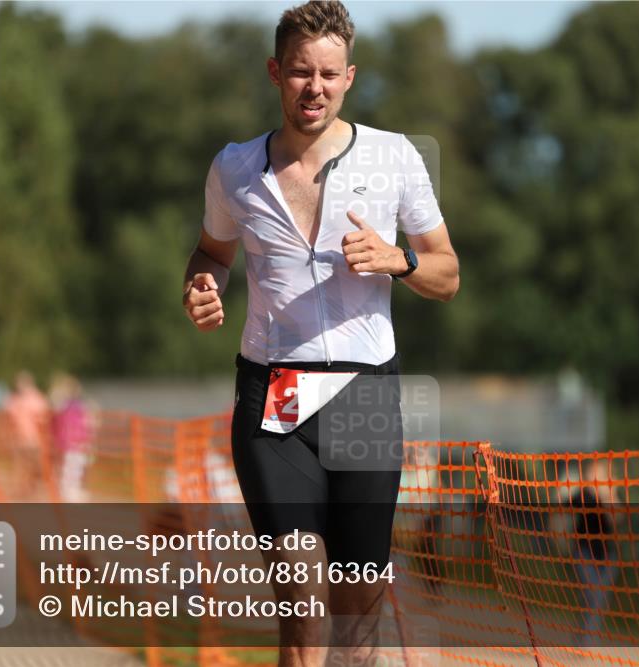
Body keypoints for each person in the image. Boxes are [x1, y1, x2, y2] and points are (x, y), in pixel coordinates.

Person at [182, 2, 459, 664]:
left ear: (350, 77)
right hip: (274, 395)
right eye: (301, 72)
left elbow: (447, 273)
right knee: (302, 608)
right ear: (277, 73)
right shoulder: (235, 168)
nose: (315, 87)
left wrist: (399, 259)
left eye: (329, 74)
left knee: (357, 619)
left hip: (363, 398)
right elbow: (211, 253)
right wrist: (201, 286)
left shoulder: (394, 158)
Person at [569, 458, 618, 647]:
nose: (592, 476)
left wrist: (607, 498)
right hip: (584, 552)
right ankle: (585, 641)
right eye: (591, 473)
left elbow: (617, 520)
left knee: (598, 599)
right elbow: (566, 505)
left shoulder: (610, 495)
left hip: (606, 555)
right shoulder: (584, 495)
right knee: (591, 595)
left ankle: (586, 639)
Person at [2, 370, 50, 499]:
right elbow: (8, 418)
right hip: (20, 440)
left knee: (35, 468)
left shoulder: (35, 398)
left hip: (34, 440)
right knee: (21, 467)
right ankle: (22, 492)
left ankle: (32, 491)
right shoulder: (14, 399)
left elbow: (44, 419)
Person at [49, 372, 96, 503]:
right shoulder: (65, 405)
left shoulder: (77, 405)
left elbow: (89, 423)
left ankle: (69, 490)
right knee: (71, 467)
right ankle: (68, 492)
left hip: (76, 442)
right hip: (70, 442)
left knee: (75, 466)